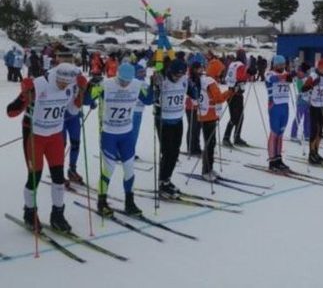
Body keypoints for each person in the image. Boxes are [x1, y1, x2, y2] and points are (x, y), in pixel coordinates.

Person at [7, 63, 87, 231]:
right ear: (55, 77)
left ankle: (57, 215)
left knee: (58, 178)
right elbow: (11, 112)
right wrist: (24, 94)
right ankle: (29, 212)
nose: (64, 86)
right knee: (34, 177)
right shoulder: (39, 84)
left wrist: (81, 91)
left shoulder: (71, 85)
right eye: (61, 83)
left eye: (68, 83)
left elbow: (72, 111)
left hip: (55, 136)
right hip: (34, 136)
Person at [88, 63, 152, 216]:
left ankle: (129, 202)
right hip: (109, 134)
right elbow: (87, 100)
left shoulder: (136, 85)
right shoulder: (107, 85)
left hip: (126, 134)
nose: (125, 84)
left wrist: (153, 86)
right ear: (117, 75)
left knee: (129, 169)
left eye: (127, 81)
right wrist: (91, 86)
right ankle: (101, 202)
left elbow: (148, 100)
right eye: (122, 80)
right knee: (109, 169)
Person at [152, 59, 192, 198]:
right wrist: (155, 87)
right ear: (170, 72)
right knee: (167, 153)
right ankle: (162, 182)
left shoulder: (184, 79)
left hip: (178, 120)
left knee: (174, 153)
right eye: (175, 75)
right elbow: (152, 98)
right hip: (164, 121)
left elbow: (193, 92)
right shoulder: (162, 80)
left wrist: (195, 89)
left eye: (180, 75)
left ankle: (167, 179)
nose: (177, 78)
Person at [198, 58, 232, 181]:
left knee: (210, 143)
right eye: (221, 71)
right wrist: (230, 92)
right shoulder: (210, 81)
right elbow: (218, 98)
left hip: (204, 113)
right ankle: (206, 170)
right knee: (210, 144)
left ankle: (208, 168)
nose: (222, 73)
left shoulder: (204, 79)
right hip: (209, 115)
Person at [265, 55, 292, 171]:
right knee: (274, 133)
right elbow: (274, 79)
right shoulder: (270, 73)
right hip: (275, 106)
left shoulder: (286, 73)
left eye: (283, 64)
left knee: (281, 134)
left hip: (285, 106)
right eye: (279, 64)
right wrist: (287, 76)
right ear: (274, 65)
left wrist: (293, 75)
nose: (282, 66)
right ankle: (272, 160)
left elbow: (289, 78)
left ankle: (278, 158)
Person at [223, 49, 251, 147]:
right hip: (235, 93)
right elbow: (241, 78)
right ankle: (226, 138)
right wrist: (249, 74)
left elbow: (227, 77)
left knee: (239, 117)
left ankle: (236, 136)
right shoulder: (241, 65)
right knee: (235, 117)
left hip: (232, 92)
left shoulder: (232, 64)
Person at [185, 54, 205, 156]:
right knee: (193, 126)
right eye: (200, 68)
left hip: (198, 105)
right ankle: (191, 148)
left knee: (198, 126)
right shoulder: (190, 78)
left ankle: (196, 147)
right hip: (190, 106)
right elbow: (190, 91)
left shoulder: (199, 77)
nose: (201, 70)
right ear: (195, 69)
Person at [290, 62, 311, 143]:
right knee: (298, 117)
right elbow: (301, 88)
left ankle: (307, 134)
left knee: (308, 119)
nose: (301, 73)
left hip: (308, 101)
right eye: (301, 72)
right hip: (302, 101)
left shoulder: (306, 77)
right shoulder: (299, 79)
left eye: (303, 72)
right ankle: (293, 134)